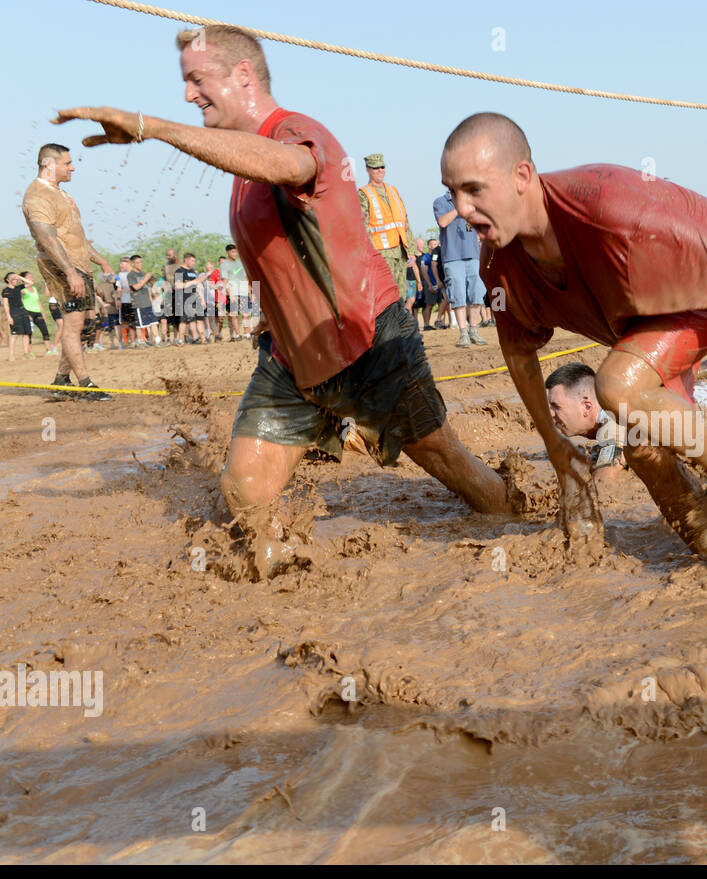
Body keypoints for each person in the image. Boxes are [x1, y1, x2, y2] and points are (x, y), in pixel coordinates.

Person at [57, 23, 512, 579]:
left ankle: (521, 526)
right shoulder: (241, 168)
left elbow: (288, 166)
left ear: (243, 75)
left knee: (452, 466)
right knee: (243, 494)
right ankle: (292, 593)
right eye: (184, 83)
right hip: (292, 361)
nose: (187, 93)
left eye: (197, 79)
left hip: (370, 341)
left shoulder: (296, 132)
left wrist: (154, 128)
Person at [442, 112, 707, 554]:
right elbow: (517, 354)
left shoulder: (608, 211)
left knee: (616, 386)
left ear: (522, 176)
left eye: (474, 189)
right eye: (451, 192)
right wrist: (556, 448)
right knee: (642, 447)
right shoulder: (498, 267)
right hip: (641, 324)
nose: (462, 209)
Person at [545, 361, 707, 489]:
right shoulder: (619, 394)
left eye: (556, 406)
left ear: (587, 406)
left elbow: (605, 489)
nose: (551, 415)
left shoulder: (612, 422)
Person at [21, 144, 114, 398]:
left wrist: (101, 261)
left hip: (78, 264)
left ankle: (62, 379)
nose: (72, 167)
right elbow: (49, 239)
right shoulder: (37, 196)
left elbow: (77, 237)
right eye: (67, 163)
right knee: (73, 326)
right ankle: (86, 385)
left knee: (85, 326)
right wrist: (70, 272)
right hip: (62, 266)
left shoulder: (61, 194)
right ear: (49, 165)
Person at [433, 186, 490, 347]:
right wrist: (460, 208)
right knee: (458, 297)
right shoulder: (440, 202)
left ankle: (473, 329)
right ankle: (463, 332)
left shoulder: (472, 202)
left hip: (474, 255)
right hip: (452, 257)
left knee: (477, 294)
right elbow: (442, 222)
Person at [357, 153, 415, 289]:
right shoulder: (363, 194)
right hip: (381, 252)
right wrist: (370, 253)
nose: (380, 171)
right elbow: (363, 227)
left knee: (401, 292)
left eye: (382, 167)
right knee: (385, 291)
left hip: (400, 252)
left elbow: (405, 222)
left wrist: (410, 250)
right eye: (375, 168)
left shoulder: (393, 190)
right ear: (368, 170)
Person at [18, 273, 57, 356]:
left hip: (37, 312)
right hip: (28, 312)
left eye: (32, 276)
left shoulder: (34, 289)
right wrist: (25, 314)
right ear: (24, 279)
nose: (32, 278)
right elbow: (20, 302)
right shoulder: (22, 290)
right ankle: (30, 352)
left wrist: (43, 313)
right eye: (29, 277)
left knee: (45, 331)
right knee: (29, 333)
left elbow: (38, 301)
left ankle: (48, 350)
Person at [3, 272, 32, 360]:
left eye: (16, 279)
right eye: (13, 279)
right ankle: (11, 355)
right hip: (14, 314)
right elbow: (6, 305)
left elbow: (30, 283)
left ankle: (26, 354)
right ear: (8, 280)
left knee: (26, 333)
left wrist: (19, 277)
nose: (15, 280)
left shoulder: (19, 287)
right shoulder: (6, 291)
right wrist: (9, 316)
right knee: (14, 335)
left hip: (23, 312)